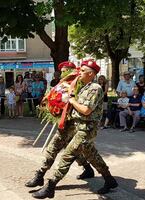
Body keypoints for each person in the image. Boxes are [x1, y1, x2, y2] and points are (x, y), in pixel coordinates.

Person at [32, 60, 118, 199]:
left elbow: (86, 110)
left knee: (68, 155)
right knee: (92, 156)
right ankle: (109, 180)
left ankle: (50, 186)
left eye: (83, 70)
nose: (79, 72)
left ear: (91, 73)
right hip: (76, 127)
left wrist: (71, 100)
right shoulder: (83, 87)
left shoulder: (95, 88)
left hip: (86, 129)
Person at [25, 61, 94, 189]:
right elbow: (54, 94)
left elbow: (77, 101)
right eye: (61, 71)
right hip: (65, 123)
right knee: (59, 148)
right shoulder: (62, 83)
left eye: (64, 71)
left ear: (71, 70)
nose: (62, 73)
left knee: (67, 150)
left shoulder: (79, 83)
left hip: (75, 124)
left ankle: (45, 179)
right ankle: (40, 175)